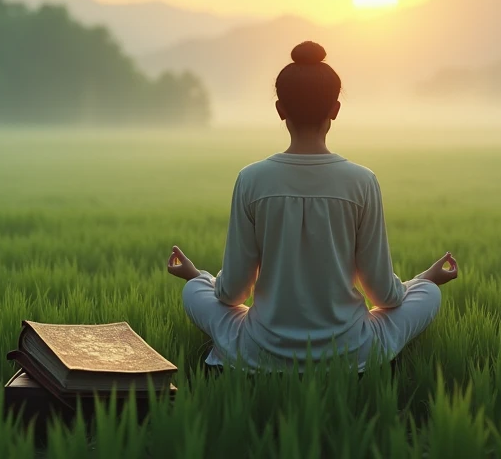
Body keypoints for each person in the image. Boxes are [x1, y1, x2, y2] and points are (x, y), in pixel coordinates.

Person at [166, 41, 458, 371]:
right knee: (429, 296)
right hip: (353, 349)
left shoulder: (251, 179)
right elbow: (385, 297)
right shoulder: (362, 181)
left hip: (259, 348)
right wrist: (423, 281)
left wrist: (197, 276)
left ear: (280, 109)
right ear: (334, 109)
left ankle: (209, 300)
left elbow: (232, 294)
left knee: (194, 291)